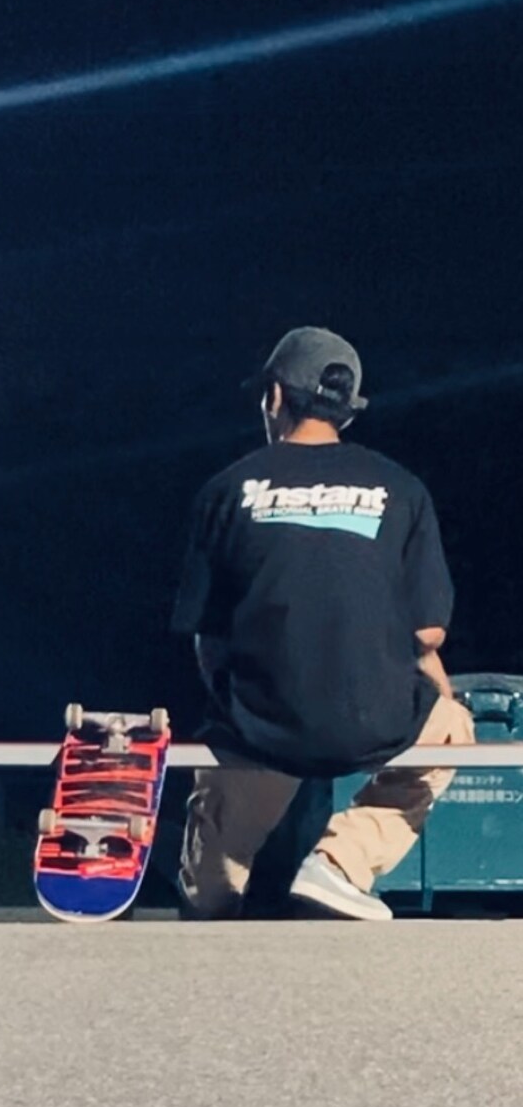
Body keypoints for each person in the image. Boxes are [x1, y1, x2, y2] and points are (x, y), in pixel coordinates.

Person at [171, 326, 475, 921]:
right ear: (348, 411)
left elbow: (207, 635)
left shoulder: (225, 490)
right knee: (452, 727)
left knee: (210, 880)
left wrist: (240, 713)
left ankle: (211, 897)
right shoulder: (403, 489)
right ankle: (340, 866)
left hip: (263, 726)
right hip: (374, 720)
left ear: (275, 398)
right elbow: (427, 635)